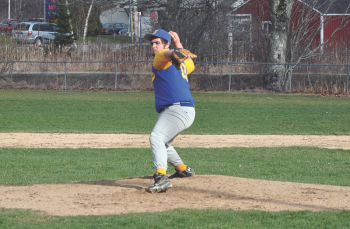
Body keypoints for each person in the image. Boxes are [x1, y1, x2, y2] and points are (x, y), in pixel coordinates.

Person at [144, 29, 196, 193]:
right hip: (182, 110)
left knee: (156, 137)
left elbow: (168, 54)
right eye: (152, 43)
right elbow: (190, 65)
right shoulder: (171, 60)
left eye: (157, 42)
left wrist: (176, 49)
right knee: (163, 142)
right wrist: (178, 47)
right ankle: (182, 169)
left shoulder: (162, 56)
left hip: (178, 109)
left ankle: (161, 177)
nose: (154, 46)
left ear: (166, 43)